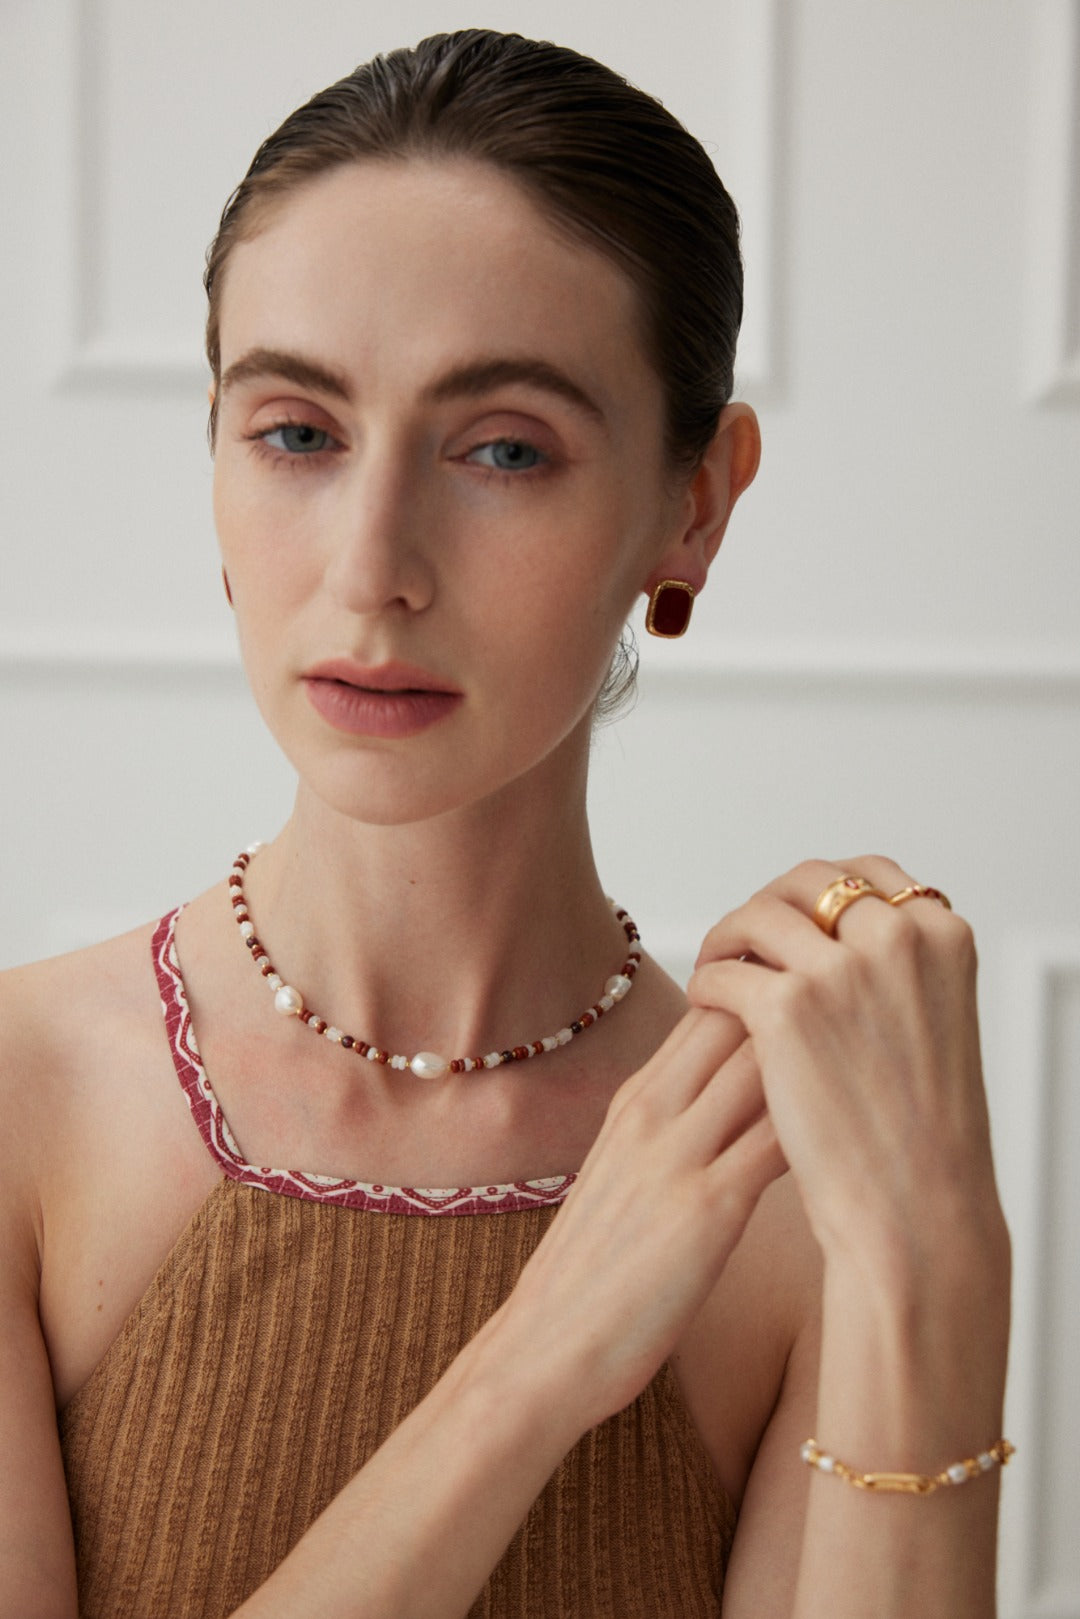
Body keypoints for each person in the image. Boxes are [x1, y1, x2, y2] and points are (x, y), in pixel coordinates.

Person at [0, 27, 1012, 1619]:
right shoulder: (24, 1105)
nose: (371, 564)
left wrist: (941, 1255)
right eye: (297, 434)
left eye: (502, 449)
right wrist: (537, 1358)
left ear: (695, 507)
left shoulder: (794, 1193)